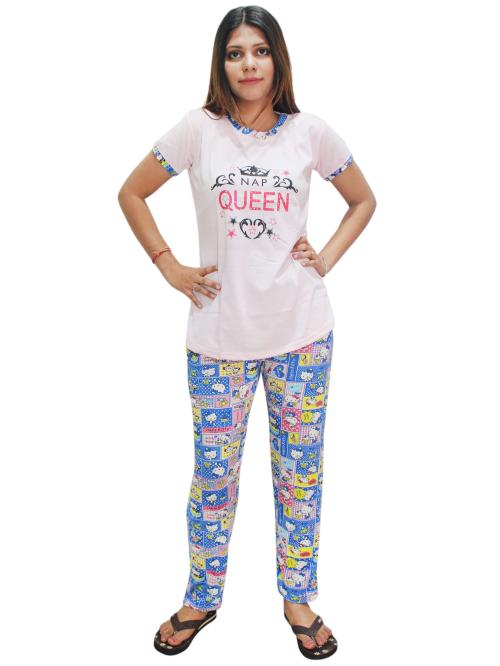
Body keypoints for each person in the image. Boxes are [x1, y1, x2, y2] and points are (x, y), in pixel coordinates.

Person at [118, 5, 376, 659]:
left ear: (278, 58)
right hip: (218, 340)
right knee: (214, 478)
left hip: (302, 336)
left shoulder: (310, 132)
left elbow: (363, 199)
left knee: (299, 477)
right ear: (221, 63)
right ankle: (202, 596)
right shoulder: (197, 131)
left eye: (259, 50)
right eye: (235, 53)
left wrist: (327, 257)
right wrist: (169, 266)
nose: (248, 64)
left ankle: (298, 599)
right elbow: (131, 192)